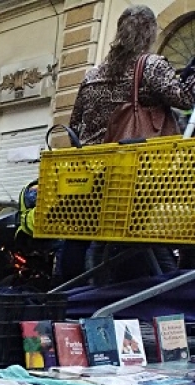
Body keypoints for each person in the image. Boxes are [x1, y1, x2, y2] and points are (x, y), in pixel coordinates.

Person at [69, 6, 195, 279]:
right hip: (135, 176)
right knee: (148, 237)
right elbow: (185, 100)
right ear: (150, 33)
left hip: (91, 176)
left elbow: (74, 125)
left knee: (91, 234)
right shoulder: (150, 65)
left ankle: (78, 291)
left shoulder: (91, 76)